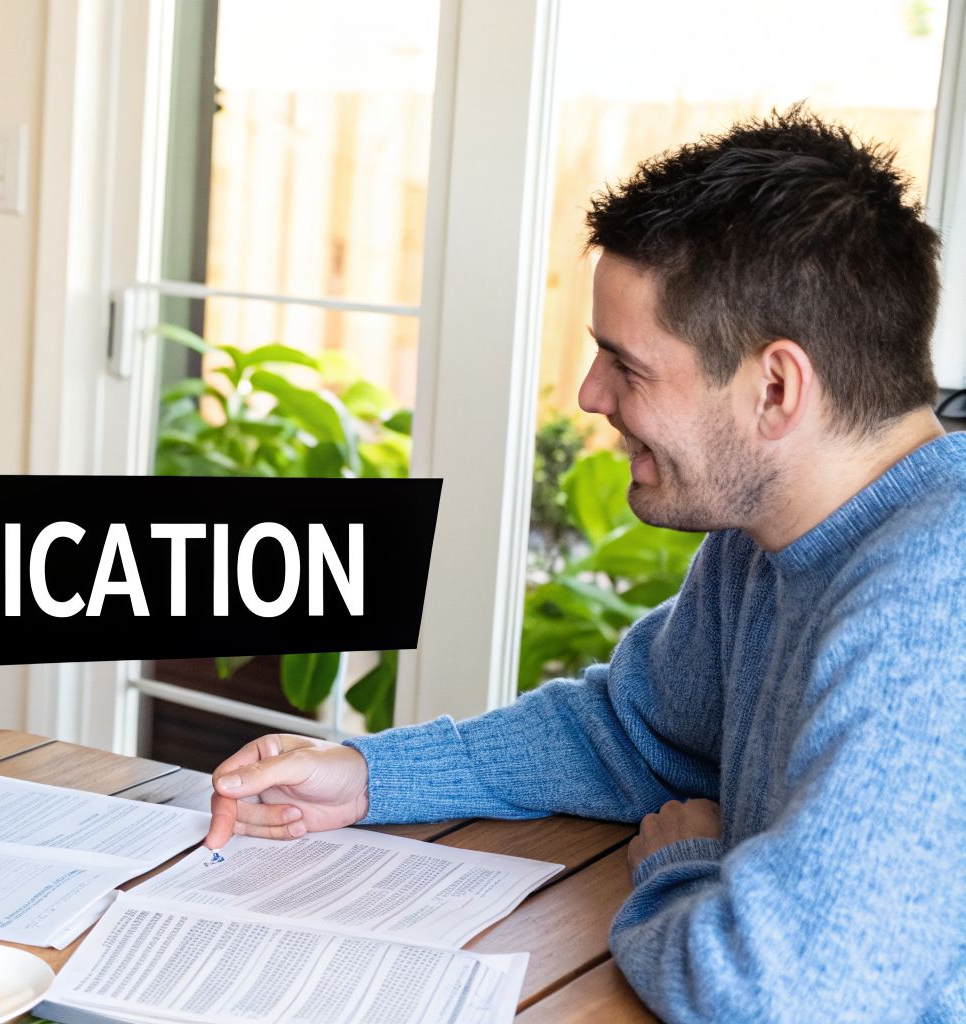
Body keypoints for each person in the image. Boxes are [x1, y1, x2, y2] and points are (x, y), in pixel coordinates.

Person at [204, 108, 966, 1022]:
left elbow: (780, 995)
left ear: (775, 388)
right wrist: (370, 775)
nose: (589, 395)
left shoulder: (931, 605)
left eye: (626, 364)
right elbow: (633, 731)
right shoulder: (763, 537)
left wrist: (685, 865)